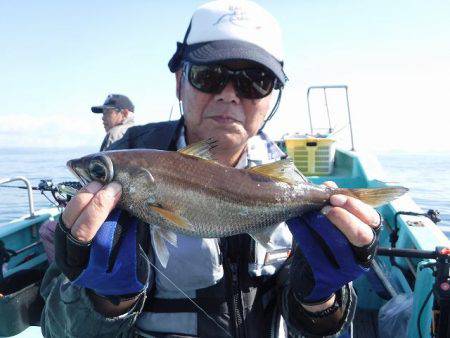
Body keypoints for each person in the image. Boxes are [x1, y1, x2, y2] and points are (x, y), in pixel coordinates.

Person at [41, 1, 382, 337]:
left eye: (255, 81)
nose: (230, 95)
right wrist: (102, 299)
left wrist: (321, 301)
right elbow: (57, 328)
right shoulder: (122, 160)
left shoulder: (288, 182)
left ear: (272, 96)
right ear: (179, 82)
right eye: (209, 76)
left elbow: (316, 328)